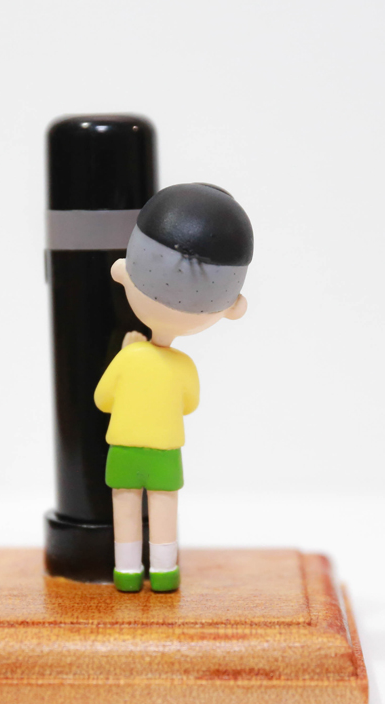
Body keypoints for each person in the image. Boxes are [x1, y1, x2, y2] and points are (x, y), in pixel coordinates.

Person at [94, 183, 254, 592]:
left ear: (123, 271)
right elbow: (189, 405)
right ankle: (165, 572)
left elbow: (103, 400)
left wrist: (129, 355)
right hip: (165, 453)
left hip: (124, 450)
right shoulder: (183, 366)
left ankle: (127, 572)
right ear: (232, 307)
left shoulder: (129, 357)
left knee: (124, 510)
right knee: (165, 512)